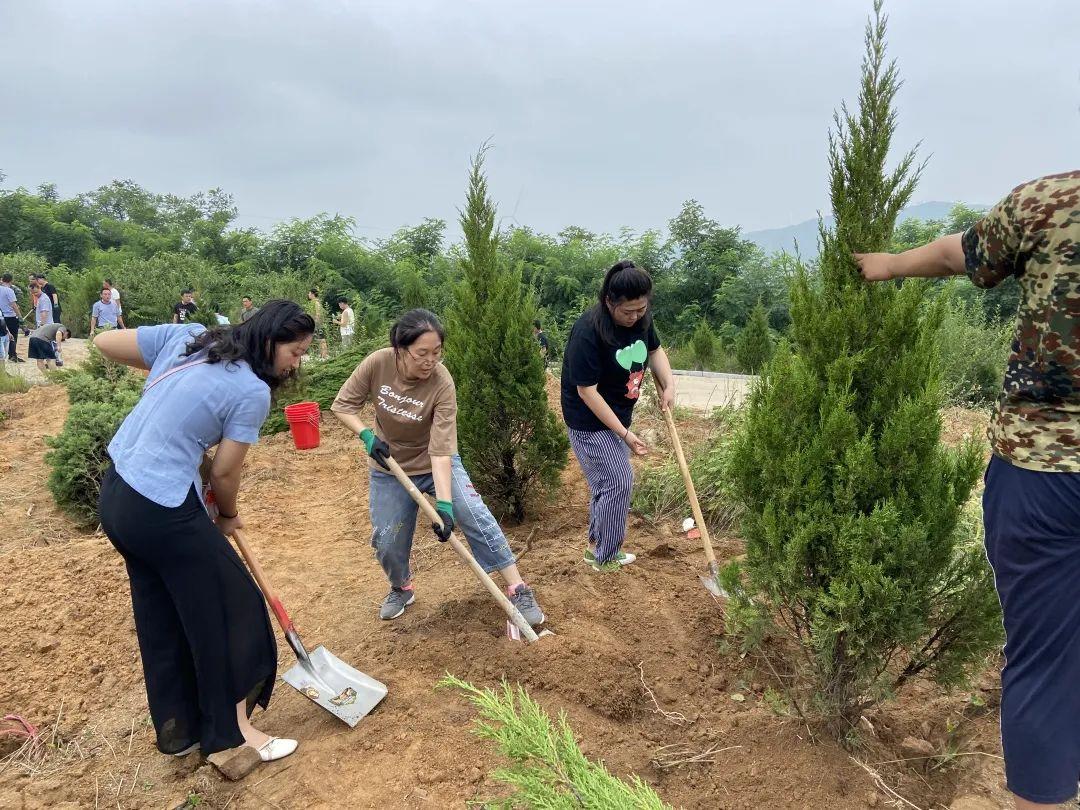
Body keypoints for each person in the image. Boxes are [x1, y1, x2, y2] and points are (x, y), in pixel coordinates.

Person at [855, 170, 1080, 810]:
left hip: (1043, 469)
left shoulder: (1053, 200)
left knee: (1043, 661)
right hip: (1043, 475)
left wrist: (889, 265)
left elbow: (961, 253)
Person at [93, 300, 314, 764]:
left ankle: (182, 731)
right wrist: (227, 516)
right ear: (270, 340)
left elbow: (103, 341)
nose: (298, 363)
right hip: (161, 506)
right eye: (295, 352)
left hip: (117, 495)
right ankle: (231, 738)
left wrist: (162, 375)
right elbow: (226, 475)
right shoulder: (252, 391)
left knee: (165, 617)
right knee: (231, 608)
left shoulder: (189, 338)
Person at [330, 309, 546, 625]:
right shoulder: (378, 363)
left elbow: (442, 450)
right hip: (389, 466)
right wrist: (366, 435)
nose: (430, 360)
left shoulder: (442, 382)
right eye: (421, 354)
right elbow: (342, 405)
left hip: (435, 462)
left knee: (474, 514)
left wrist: (444, 506)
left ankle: (517, 588)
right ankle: (401, 587)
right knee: (387, 539)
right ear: (399, 350)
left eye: (436, 352)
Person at [561, 260, 675, 572]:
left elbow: (654, 350)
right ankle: (606, 556)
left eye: (641, 309)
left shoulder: (641, 318)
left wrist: (670, 384)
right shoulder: (588, 332)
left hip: (619, 414)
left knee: (607, 483)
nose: (636, 316)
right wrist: (624, 434)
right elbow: (587, 391)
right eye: (629, 311)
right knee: (617, 481)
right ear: (610, 302)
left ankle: (596, 547)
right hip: (589, 421)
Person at [1, 273, 24, 362]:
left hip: (1, 317)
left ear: (2, 279)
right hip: (10, 316)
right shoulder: (9, 290)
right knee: (13, 336)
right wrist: (20, 317)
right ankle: (12, 355)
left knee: (2, 335)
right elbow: (14, 305)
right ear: (11, 280)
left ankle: (3, 355)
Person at [306, 289, 328, 359]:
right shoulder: (313, 302)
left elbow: (318, 314)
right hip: (315, 323)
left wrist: (315, 322)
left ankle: (324, 355)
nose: (308, 295)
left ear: (312, 294)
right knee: (318, 339)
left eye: (309, 293)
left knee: (321, 339)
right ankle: (322, 354)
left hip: (317, 324)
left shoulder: (316, 303)